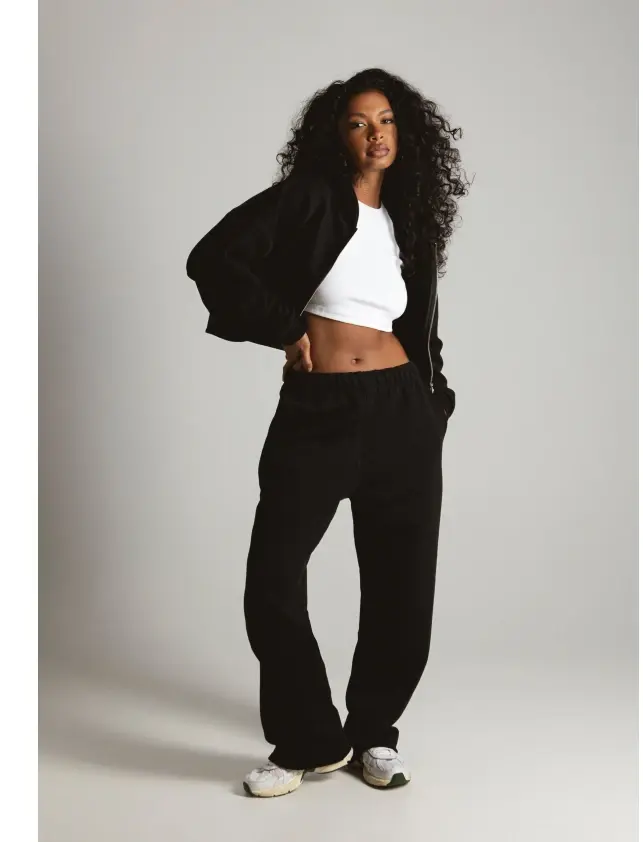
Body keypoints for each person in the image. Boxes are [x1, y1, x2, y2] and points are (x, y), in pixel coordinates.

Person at [185, 67, 469, 798]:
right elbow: (212, 258)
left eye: (386, 121)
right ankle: (311, 738)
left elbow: (420, 327)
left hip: (401, 413)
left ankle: (374, 732)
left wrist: (433, 403)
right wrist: (284, 328)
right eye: (358, 122)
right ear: (336, 134)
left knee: (401, 585)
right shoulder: (311, 198)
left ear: (405, 133)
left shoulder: (408, 221)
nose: (375, 135)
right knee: (273, 578)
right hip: (319, 412)